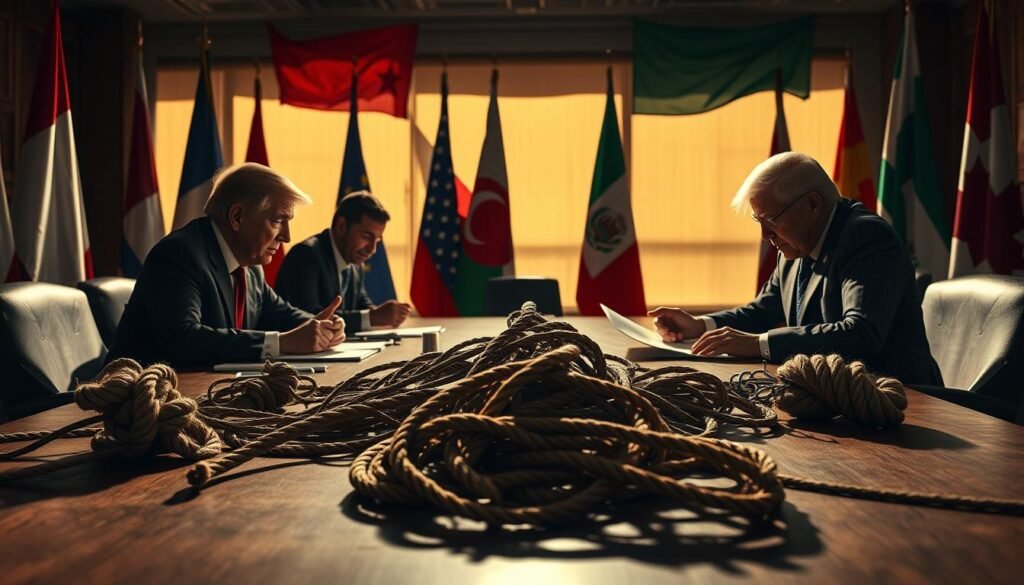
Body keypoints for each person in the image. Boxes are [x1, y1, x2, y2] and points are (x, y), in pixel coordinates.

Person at [649, 152, 941, 385]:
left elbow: (860, 333)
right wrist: (700, 326)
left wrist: (758, 344)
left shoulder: (866, 236)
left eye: (770, 220)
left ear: (812, 204)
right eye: (758, 221)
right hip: (829, 396)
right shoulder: (795, 242)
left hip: (904, 401)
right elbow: (763, 311)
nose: (765, 235)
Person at [109, 163, 346, 368]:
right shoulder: (180, 254)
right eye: (277, 221)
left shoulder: (250, 266)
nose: (286, 237)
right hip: (136, 396)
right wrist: (281, 343)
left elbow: (280, 314)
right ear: (237, 217)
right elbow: (182, 339)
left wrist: (320, 325)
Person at [276, 190, 412, 335]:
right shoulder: (305, 255)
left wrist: (387, 315)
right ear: (341, 226)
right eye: (367, 236)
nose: (372, 249)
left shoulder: (355, 261)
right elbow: (309, 316)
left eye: (377, 240)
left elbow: (361, 305)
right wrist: (372, 317)